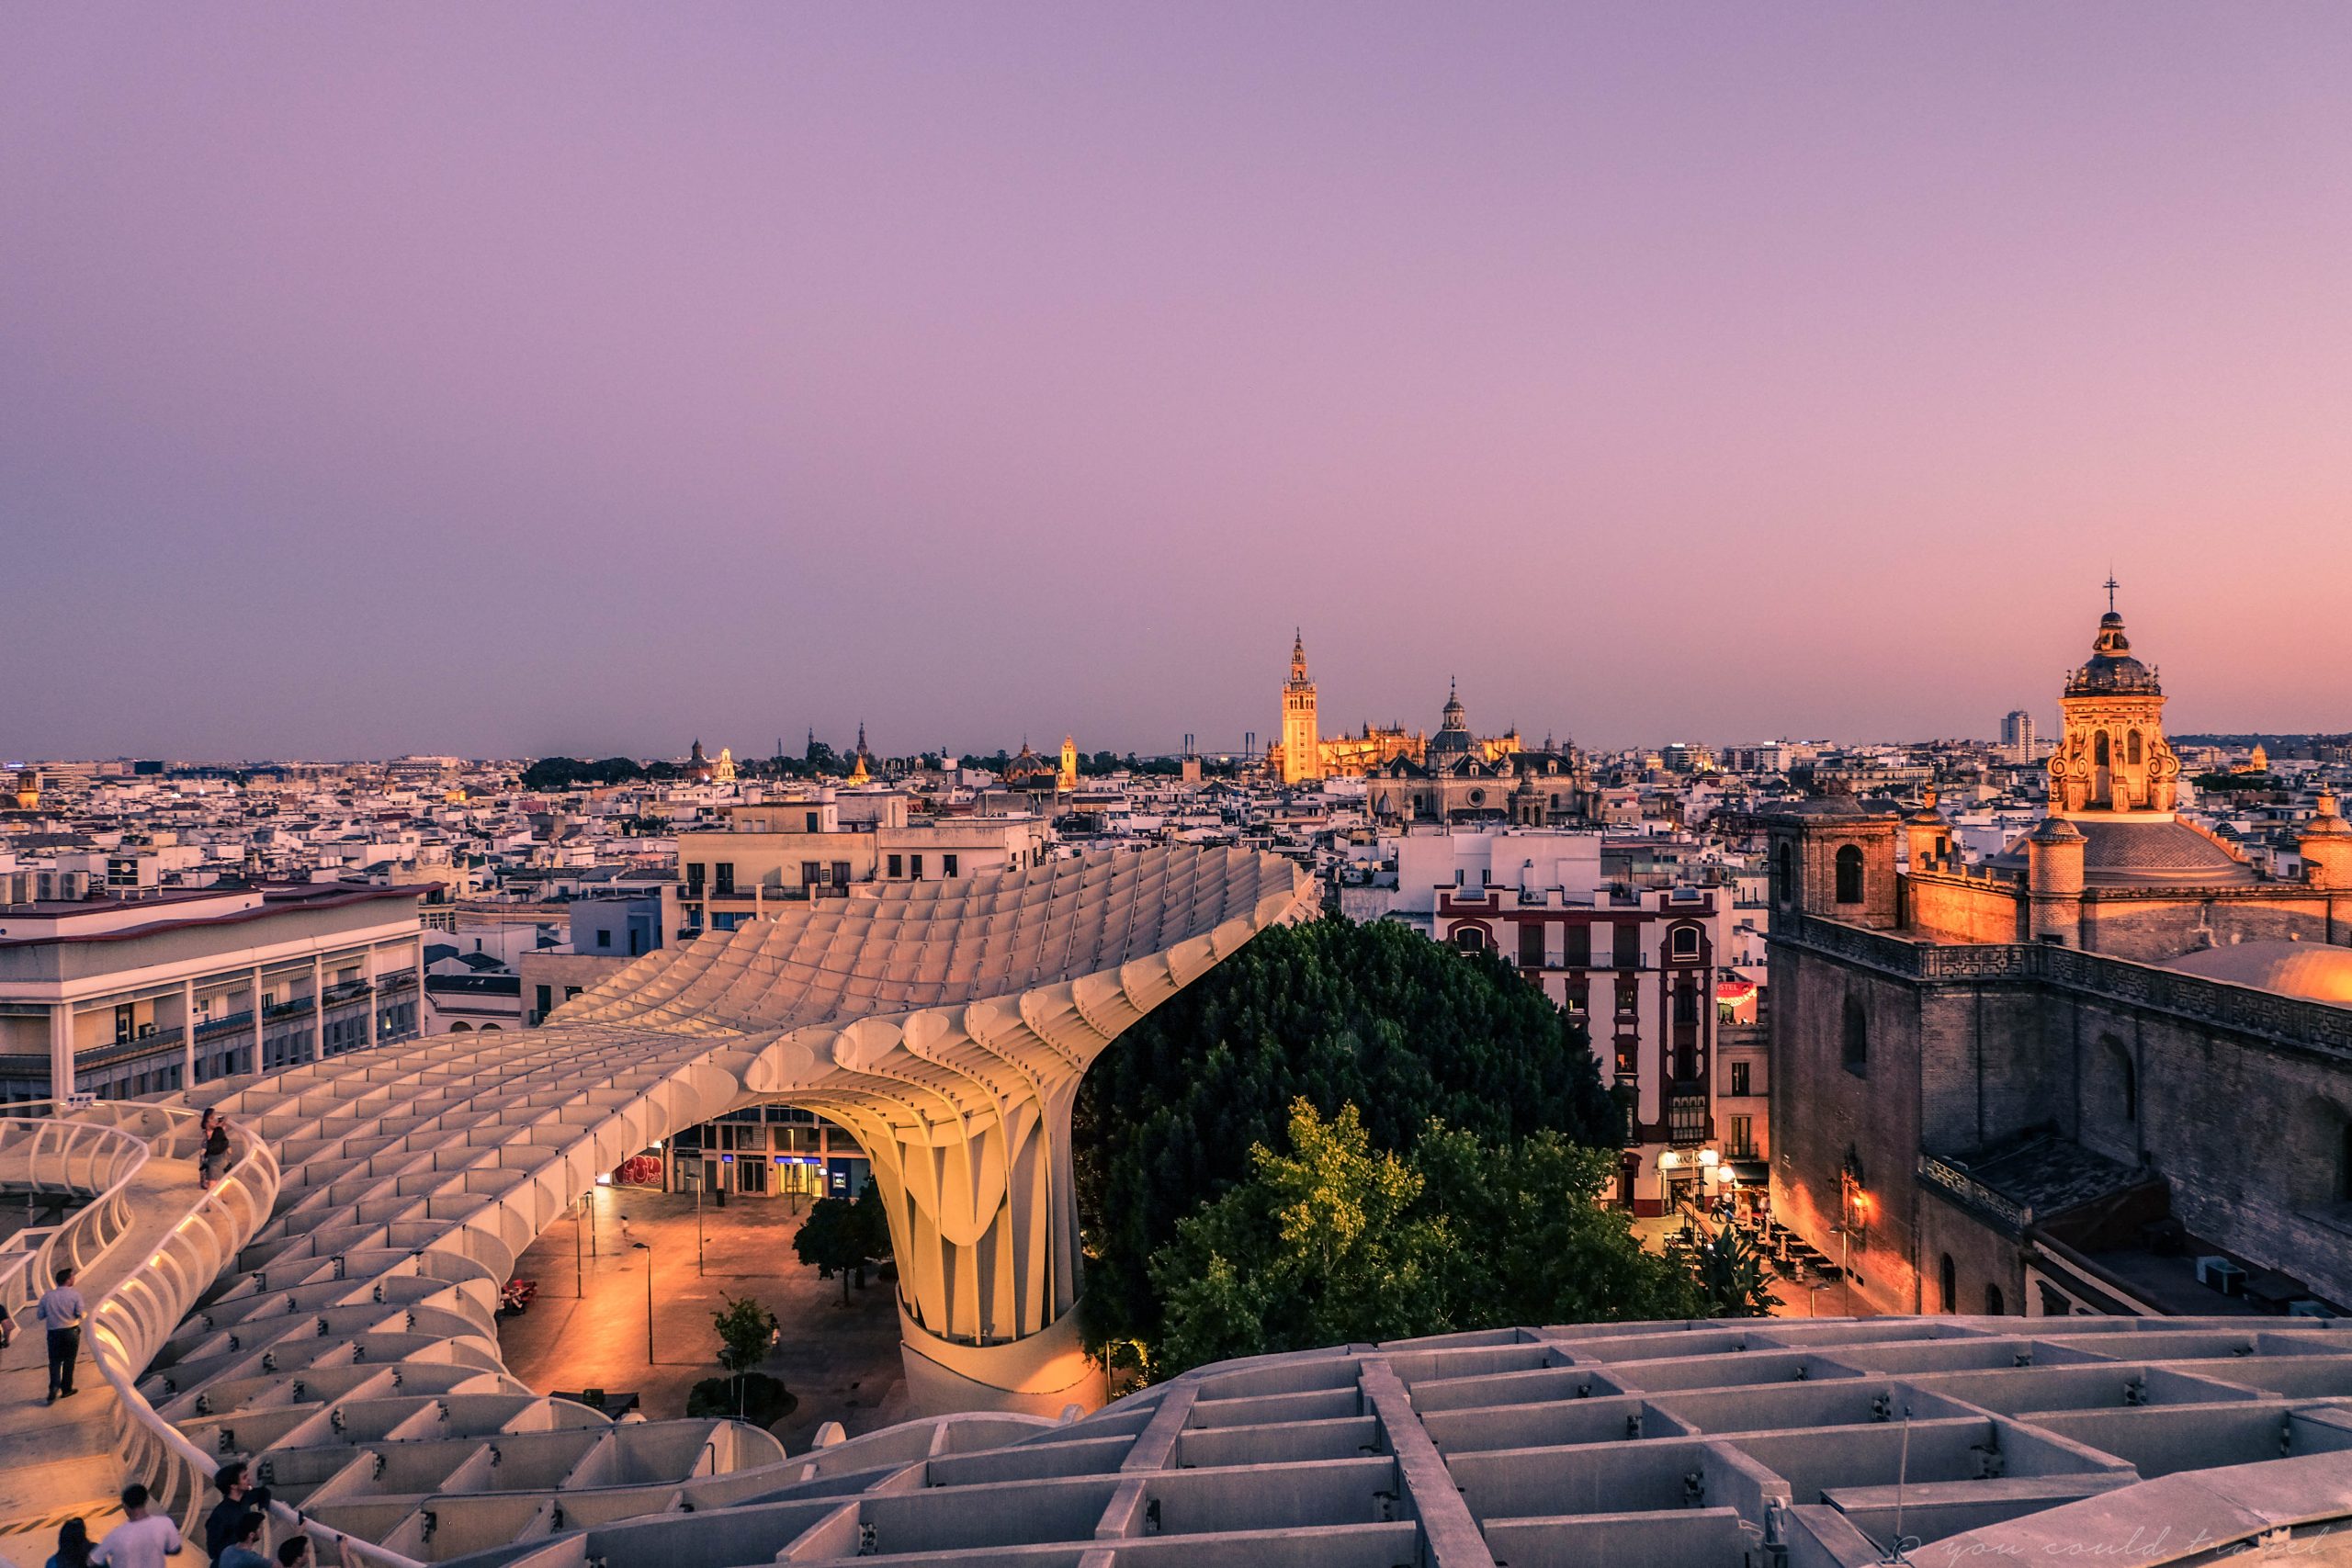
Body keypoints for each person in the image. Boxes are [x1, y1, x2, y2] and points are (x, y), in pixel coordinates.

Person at [89, 1486, 181, 1568]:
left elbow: (92, 1561)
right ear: (145, 1500)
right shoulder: (165, 1523)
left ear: (125, 1506)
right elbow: (175, 1549)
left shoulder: (116, 1535)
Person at [37, 1267, 86, 1404]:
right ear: (68, 1280)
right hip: (71, 1331)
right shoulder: (75, 1295)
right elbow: (80, 1314)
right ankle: (66, 1389)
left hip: (53, 1333)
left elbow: (40, 1316)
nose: (74, 1279)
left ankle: (53, 1387)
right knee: (69, 1361)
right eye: (72, 1277)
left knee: (55, 1361)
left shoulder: (47, 1296)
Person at [203, 1462, 256, 1562]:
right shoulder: (220, 1514)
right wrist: (241, 1537)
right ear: (233, 1486)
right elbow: (213, 1551)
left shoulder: (244, 1500)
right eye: (244, 1477)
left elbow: (261, 1493)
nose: (249, 1479)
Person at [200, 1116, 232, 1190]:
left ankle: (210, 1201)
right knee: (222, 1185)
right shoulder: (226, 1143)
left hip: (211, 1168)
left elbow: (202, 1154)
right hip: (223, 1167)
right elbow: (230, 1152)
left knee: (211, 1187)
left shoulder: (208, 1143)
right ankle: (222, 1199)